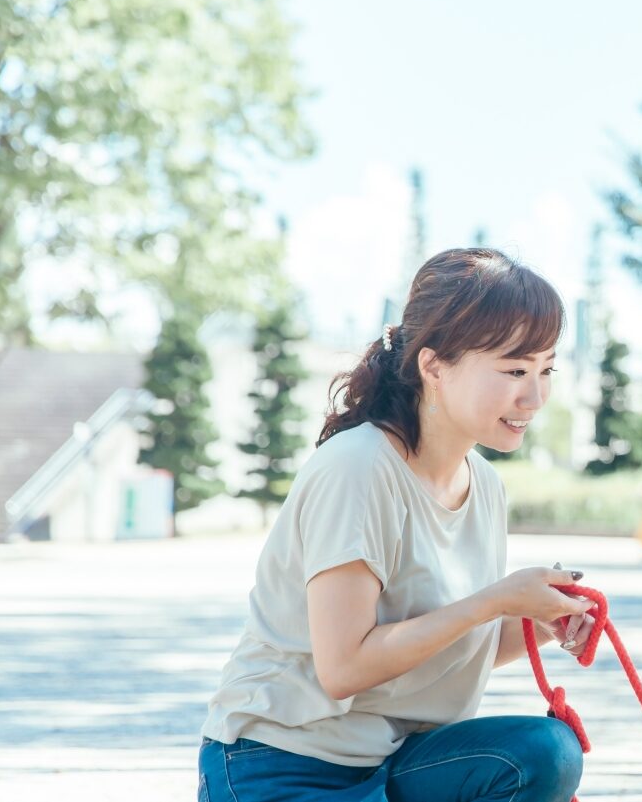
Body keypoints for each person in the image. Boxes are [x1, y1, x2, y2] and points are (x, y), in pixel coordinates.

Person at [198, 248, 596, 802]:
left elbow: (449, 645)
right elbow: (345, 667)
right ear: (433, 366)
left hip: (395, 762)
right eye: (514, 370)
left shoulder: (485, 486)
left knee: (544, 752)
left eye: (545, 370)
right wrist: (495, 600)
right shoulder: (357, 467)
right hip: (283, 764)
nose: (534, 397)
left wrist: (540, 621)